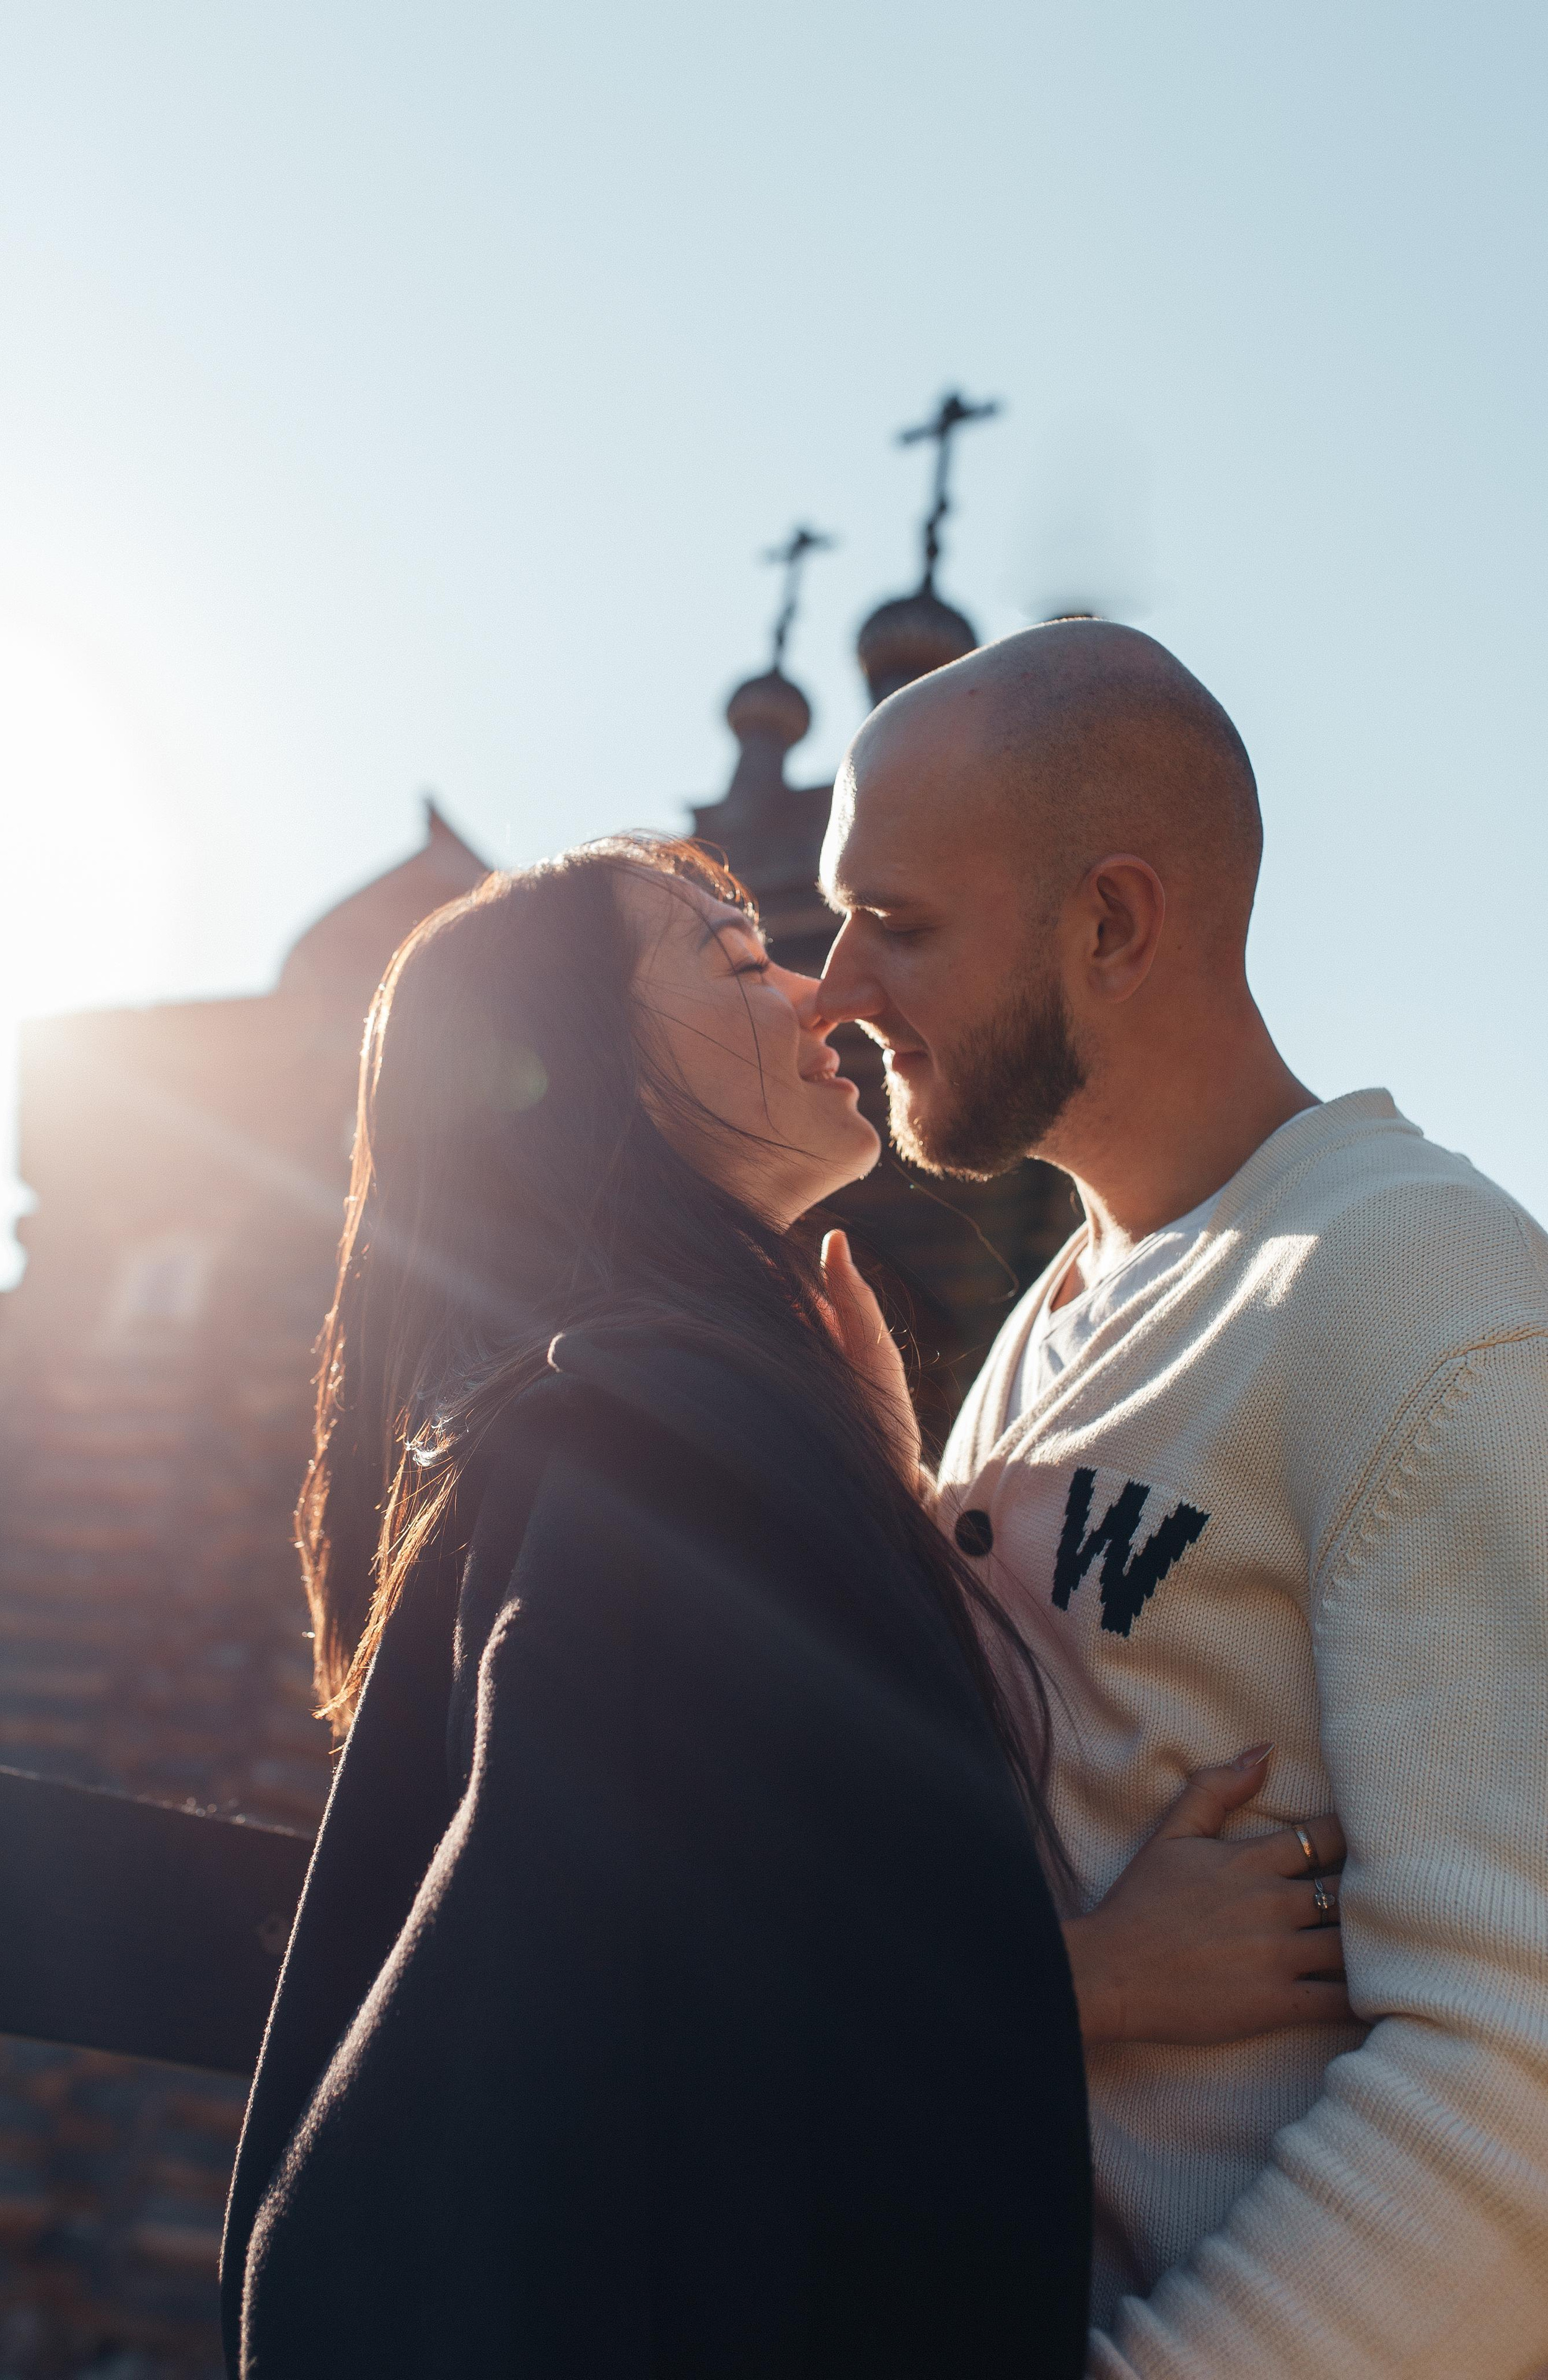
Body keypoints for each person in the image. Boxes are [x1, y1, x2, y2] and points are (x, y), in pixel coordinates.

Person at [221, 835, 1348, 2378]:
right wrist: (1085, 1982)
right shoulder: (645, 1427)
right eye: (739, 961)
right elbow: (572, 2020)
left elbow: (742, 1869)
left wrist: (879, 1488)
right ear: (584, 1065)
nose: (821, 993)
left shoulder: (641, 1407)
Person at [816, 619, 1548, 2380]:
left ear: (1115, 924)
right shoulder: (1055, 1317)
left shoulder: (1418, 1294)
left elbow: (1519, 2066)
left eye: (899, 923)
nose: (833, 982)